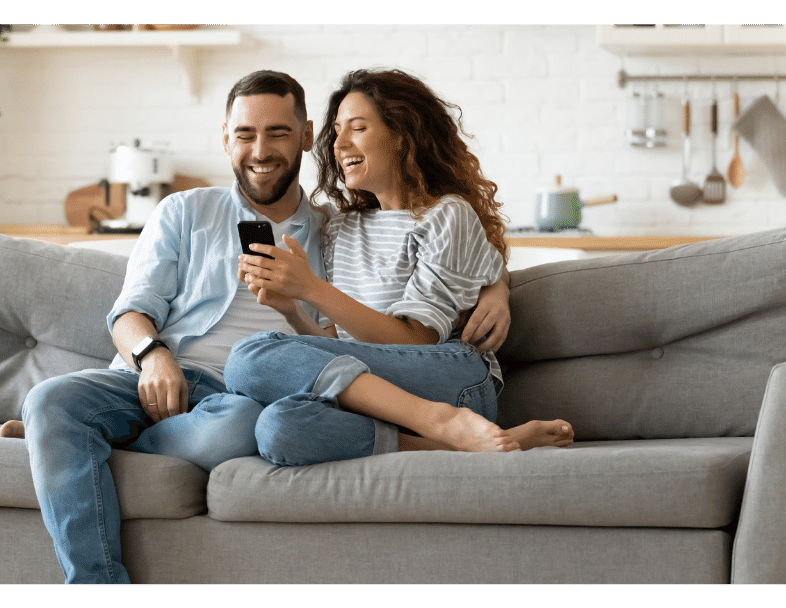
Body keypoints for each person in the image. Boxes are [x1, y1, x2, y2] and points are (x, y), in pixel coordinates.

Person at [11, 70, 512, 585]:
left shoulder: (330, 227)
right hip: (153, 374)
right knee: (50, 400)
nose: (260, 150)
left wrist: (499, 287)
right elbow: (128, 312)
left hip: (238, 398)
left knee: (247, 418)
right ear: (226, 138)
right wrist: (152, 355)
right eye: (245, 134)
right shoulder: (186, 211)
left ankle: (76, 442)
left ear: (303, 135)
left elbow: (451, 249)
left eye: (277, 133)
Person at [226, 68, 574, 467]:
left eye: (357, 128)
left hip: (450, 379)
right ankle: (454, 442)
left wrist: (311, 289)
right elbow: (339, 348)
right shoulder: (340, 227)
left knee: (248, 357)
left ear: (402, 135)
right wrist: (291, 308)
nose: (338, 143)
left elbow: (416, 341)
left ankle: (443, 420)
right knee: (278, 428)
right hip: (377, 389)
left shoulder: (446, 216)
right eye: (336, 130)